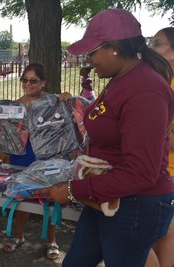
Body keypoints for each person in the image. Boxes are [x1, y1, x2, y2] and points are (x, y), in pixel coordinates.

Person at [36, 9, 174, 266]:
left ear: (113, 48)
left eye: (92, 52)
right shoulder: (122, 78)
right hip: (107, 195)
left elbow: (141, 172)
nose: (88, 61)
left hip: (135, 203)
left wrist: (72, 191)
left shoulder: (145, 89)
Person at [0, 63, 72, 260]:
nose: (28, 84)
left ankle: (51, 240)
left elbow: (70, 121)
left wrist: (66, 99)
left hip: (48, 156)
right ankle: (18, 236)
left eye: (33, 81)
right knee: (20, 196)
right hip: (23, 155)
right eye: (24, 80)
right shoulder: (14, 105)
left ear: (43, 82)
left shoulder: (53, 101)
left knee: (51, 199)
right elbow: (1, 132)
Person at [145, 27, 174, 267]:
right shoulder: (161, 81)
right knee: (163, 236)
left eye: (157, 43)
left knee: (136, 240)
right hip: (159, 174)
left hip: (166, 176)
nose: (150, 49)